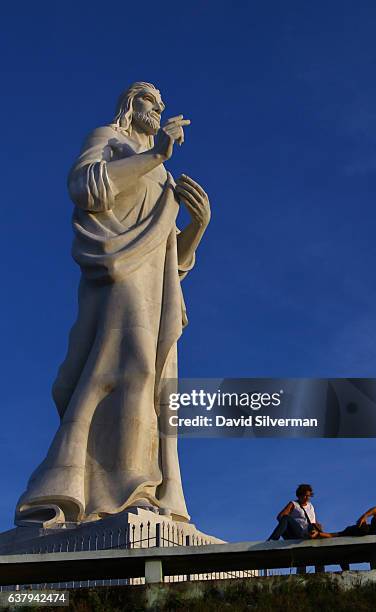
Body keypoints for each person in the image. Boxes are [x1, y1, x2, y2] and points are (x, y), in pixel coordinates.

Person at [15, 82, 211, 527]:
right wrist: (156, 156)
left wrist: (197, 226)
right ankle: (128, 489)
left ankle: (115, 487)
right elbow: (86, 188)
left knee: (158, 386)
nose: (158, 109)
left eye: (161, 104)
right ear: (130, 104)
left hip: (155, 286)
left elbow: (171, 258)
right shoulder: (109, 140)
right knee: (129, 366)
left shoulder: (158, 171)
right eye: (149, 100)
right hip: (117, 273)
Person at [308, 505, 376, 539]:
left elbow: (332, 535)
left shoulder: (351, 531)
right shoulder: (373, 530)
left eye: (358, 523)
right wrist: (365, 516)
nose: (357, 522)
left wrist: (318, 533)